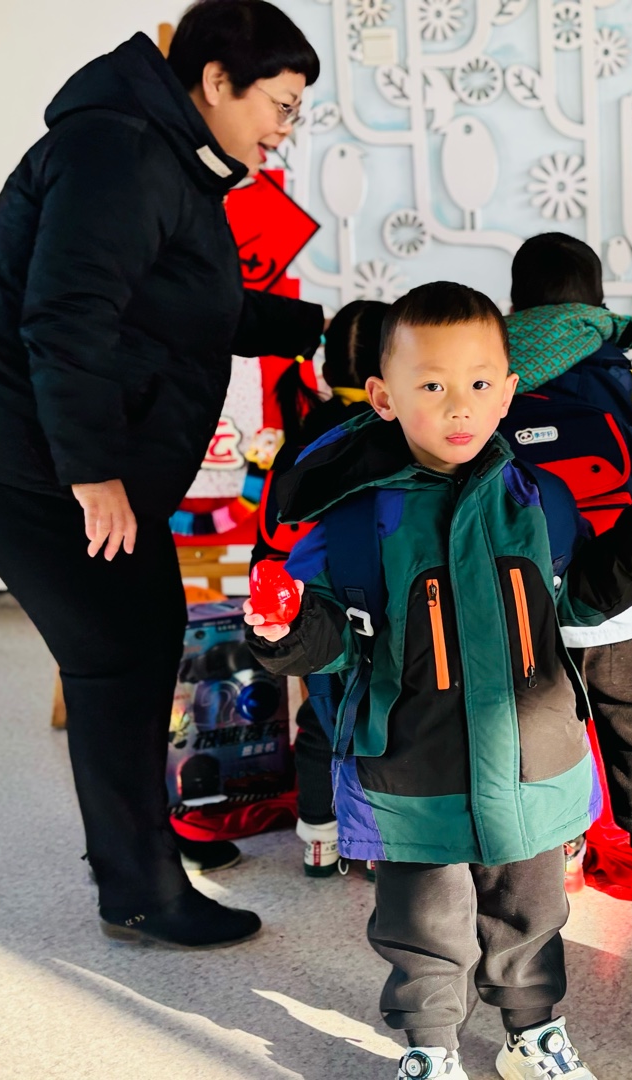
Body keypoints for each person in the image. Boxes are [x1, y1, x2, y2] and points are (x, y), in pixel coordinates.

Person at [0, 0, 326, 948]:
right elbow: (67, 316)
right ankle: (140, 890)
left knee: (141, 640)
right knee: (118, 653)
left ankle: (146, 843)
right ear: (216, 82)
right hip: (27, 465)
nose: (284, 129)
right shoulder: (119, 151)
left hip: (55, 460)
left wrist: (327, 329)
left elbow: (191, 304)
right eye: (279, 105)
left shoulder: (170, 157)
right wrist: (95, 471)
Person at [245, 282, 632, 1080]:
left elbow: (578, 602)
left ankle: (533, 1036)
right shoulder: (354, 521)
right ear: (383, 397)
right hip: (411, 765)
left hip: (529, 758)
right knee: (424, 923)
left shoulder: (541, 500)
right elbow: (331, 641)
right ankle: (430, 1046)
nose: (460, 405)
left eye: (480, 383)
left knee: (532, 910)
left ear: (510, 391)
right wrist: (284, 631)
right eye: (432, 385)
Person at [500, 232, 632, 900]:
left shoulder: (494, 371)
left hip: (524, 596)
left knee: (547, 726)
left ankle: (563, 850)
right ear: (597, 300)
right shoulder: (620, 374)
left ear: (516, 300)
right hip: (616, 590)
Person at [252, 299, 389, 876]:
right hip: (376, 601)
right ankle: (381, 845)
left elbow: (268, 536)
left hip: (303, 607)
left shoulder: (302, 438)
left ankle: (319, 837)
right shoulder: (394, 435)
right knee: (384, 717)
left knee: (320, 716)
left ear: (327, 368)